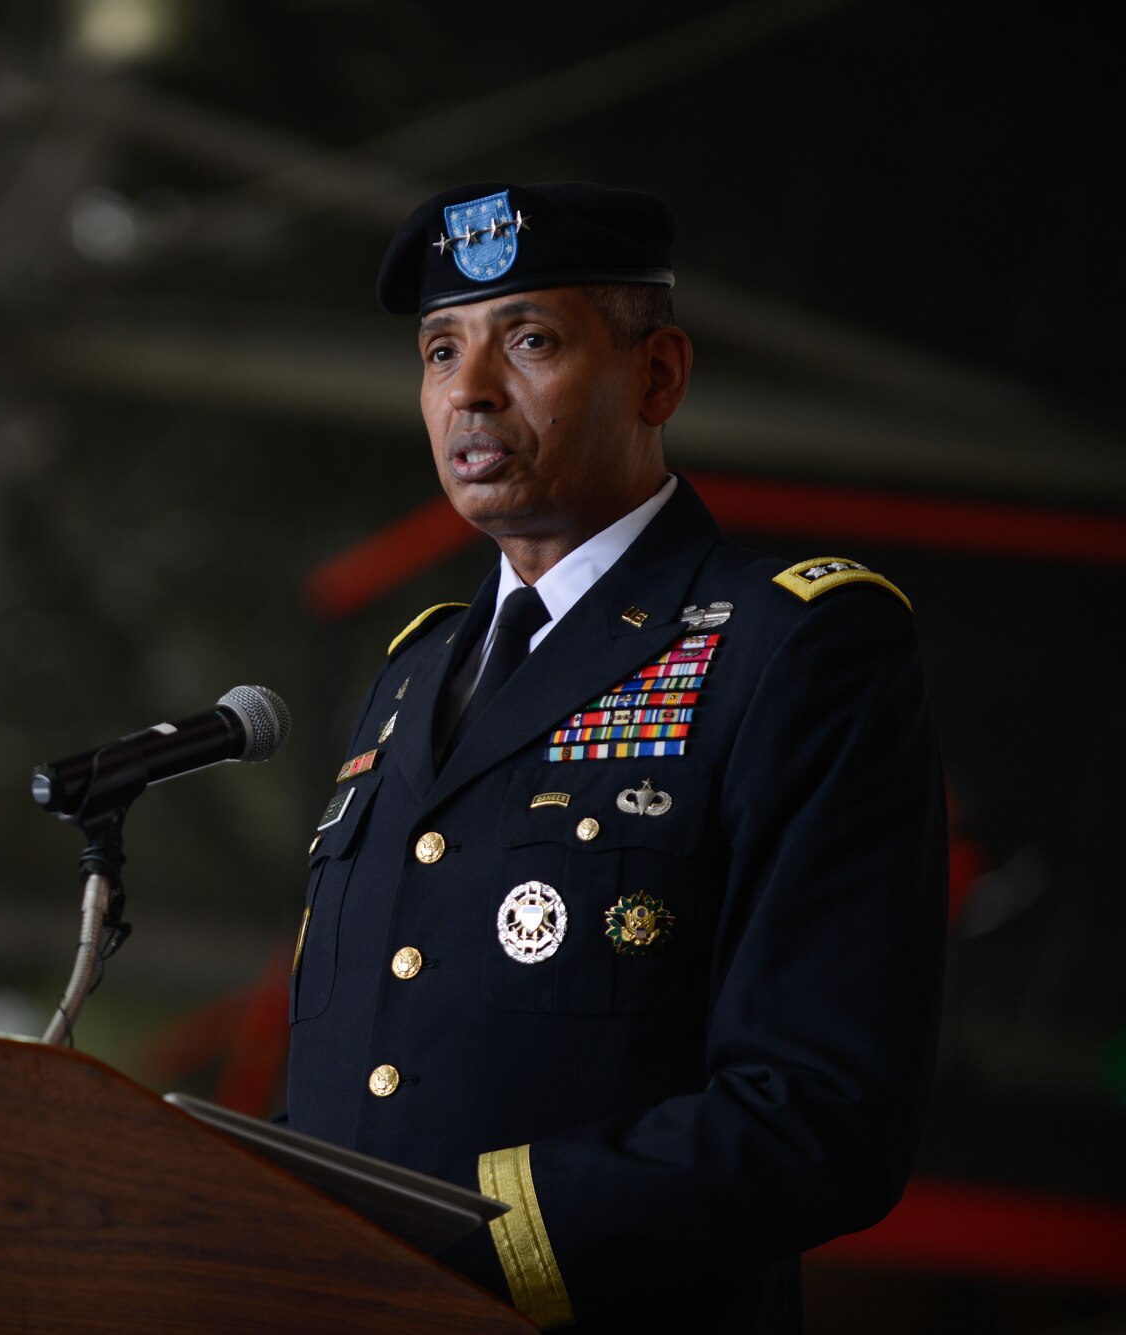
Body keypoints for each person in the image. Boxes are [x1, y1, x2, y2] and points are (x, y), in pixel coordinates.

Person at [283, 182, 946, 1333]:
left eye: (527, 340)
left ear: (657, 377)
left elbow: (818, 1112)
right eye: (441, 351)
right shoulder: (412, 673)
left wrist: (466, 1242)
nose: (469, 392)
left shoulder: (789, 648)